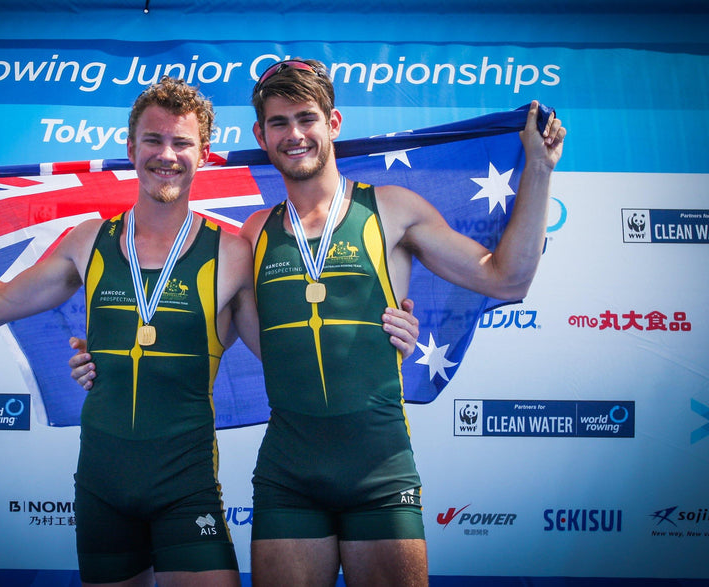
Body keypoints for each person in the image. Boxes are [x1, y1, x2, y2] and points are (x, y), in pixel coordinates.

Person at [0, 76, 419, 587]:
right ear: (131, 147)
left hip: (186, 487)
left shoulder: (233, 252)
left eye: (181, 143)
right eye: (153, 140)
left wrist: (389, 329)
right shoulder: (88, 239)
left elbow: (290, 339)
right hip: (102, 486)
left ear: (203, 154)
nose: (166, 154)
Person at [237, 58, 566, 586]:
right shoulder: (252, 232)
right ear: (261, 133)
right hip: (287, 475)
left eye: (306, 118)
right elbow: (200, 317)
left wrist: (539, 169)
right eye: (279, 123)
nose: (294, 134)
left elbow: (507, 280)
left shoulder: (393, 209)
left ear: (333, 123)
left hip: (379, 471)